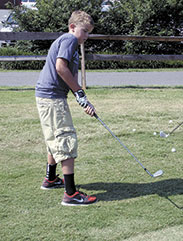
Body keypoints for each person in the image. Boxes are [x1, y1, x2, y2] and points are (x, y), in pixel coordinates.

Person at [35, 10, 97, 206]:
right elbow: (60, 68)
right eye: (84, 31)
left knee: (54, 137)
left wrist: (81, 99)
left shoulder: (70, 43)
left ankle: (51, 179)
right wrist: (79, 92)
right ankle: (70, 194)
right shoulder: (70, 40)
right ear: (72, 27)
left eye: (89, 33)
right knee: (65, 138)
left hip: (51, 96)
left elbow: (68, 76)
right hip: (51, 98)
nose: (86, 36)